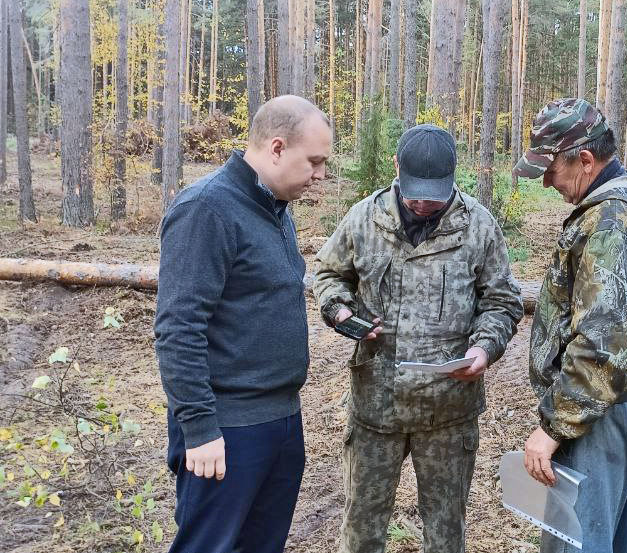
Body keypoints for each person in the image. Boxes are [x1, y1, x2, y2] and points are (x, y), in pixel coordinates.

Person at [313, 123, 523, 553]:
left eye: (434, 194)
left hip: (448, 410)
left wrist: (484, 348)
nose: (424, 203)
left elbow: (502, 302)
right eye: (415, 193)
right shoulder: (364, 218)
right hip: (376, 405)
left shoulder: (478, 226)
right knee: (362, 525)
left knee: (445, 530)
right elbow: (329, 275)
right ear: (396, 167)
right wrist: (340, 311)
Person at [154, 95, 331, 553]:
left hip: (281, 419)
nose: (320, 175)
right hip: (227, 430)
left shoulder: (275, 209)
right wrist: (200, 429)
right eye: (314, 162)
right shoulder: (206, 209)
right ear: (277, 148)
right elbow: (178, 328)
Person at [515, 98, 627, 553]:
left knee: (579, 542)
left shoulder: (611, 223)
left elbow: (602, 340)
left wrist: (554, 428)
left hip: (598, 413)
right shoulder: (620, 207)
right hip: (617, 405)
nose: (547, 182)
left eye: (551, 170)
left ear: (586, 161)